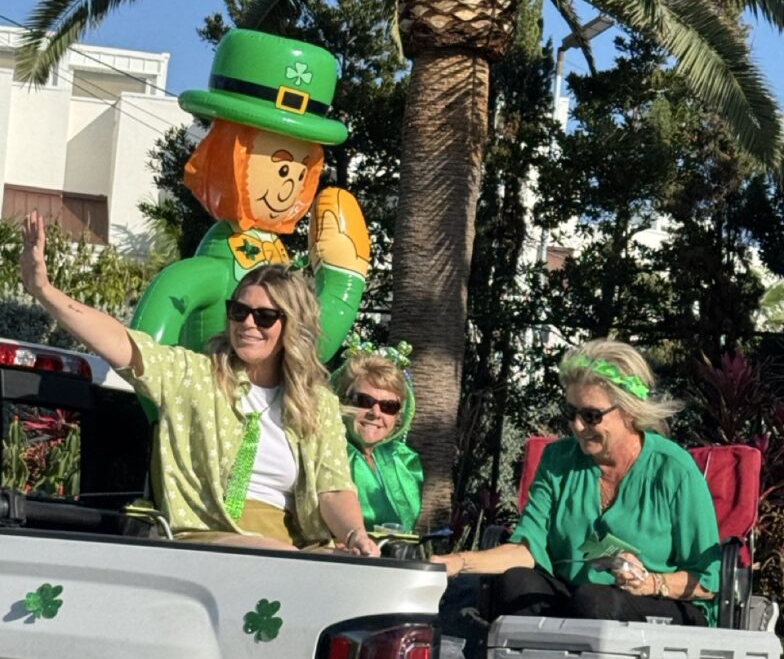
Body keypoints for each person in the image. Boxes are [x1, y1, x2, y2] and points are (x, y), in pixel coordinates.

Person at [20, 213, 379, 557]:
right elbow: (122, 344)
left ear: (291, 326)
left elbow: (333, 490)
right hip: (210, 538)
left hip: (298, 546)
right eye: (239, 311)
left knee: (364, 569)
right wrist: (45, 291)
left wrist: (355, 536)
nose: (248, 323)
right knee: (287, 560)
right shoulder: (194, 375)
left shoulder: (317, 403)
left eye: (265, 316)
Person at [434, 339, 721, 626]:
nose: (578, 426)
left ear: (630, 411)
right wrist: (457, 562)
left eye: (591, 416)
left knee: (593, 601)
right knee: (515, 583)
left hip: (661, 603)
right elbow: (526, 549)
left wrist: (650, 582)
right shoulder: (558, 459)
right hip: (577, 598)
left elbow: (708, 581)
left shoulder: (673, 468)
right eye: (571, 413)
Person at [332, 336, 423, 533]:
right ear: (342, 401)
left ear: (398, 416)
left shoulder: (403, 460)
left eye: (388, 406)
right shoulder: (328, 452)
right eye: (363, 401)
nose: (375, 413)